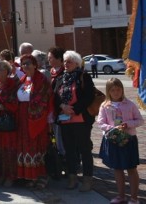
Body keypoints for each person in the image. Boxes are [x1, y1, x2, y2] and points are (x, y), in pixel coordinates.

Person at [53, 50, 95, 192]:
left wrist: (74, 109)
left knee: (84, 149)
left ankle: (87, 179)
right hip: (65, 120)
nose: (66, 64)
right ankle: (72, 177)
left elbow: (89, 96)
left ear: (76, 63)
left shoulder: (83, 76)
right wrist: (62, 106)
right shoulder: (60, 78)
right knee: (69, 150)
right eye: (64, 61)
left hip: (81, 119)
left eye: (69, 61)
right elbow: (55, 96)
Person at [97, 78, 143, 204]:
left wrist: (127, 124)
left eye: (118, 89)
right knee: (117, 169)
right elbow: (100, 122)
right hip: (113, 140)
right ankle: (121, 196)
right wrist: (112, 128)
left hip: (128, 140)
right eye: (113, 90)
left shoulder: (130, 104)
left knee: (131, 168)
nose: (116, 92)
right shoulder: (105, 105)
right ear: (108, 91)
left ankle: (134, 198)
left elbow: (140, 120)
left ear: (122, 89)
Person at [16, 54, 51, 189]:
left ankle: (39, 176)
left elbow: (45, 97)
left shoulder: (41, 79)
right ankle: (28, 176)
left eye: (28, 63)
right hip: (23, 118)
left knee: (35, 146)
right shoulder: (23, 79)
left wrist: (32, 106)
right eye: (23, 64)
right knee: (24, 146)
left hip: (35, 119)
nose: (26, 66)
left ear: (35, 65)